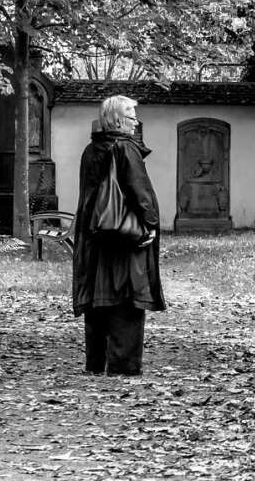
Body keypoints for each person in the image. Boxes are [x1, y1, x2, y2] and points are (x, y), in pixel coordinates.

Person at [72, 95, 165, 375]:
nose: (135, 121)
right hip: (125, 236)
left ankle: (96, 362)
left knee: (98, 299)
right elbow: (140, 191)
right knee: (126, 297)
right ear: (116, 119)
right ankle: (123, 365)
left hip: (95, 236)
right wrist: (150, 224)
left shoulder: (91, 150)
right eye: (130, 115)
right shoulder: (126, 148)